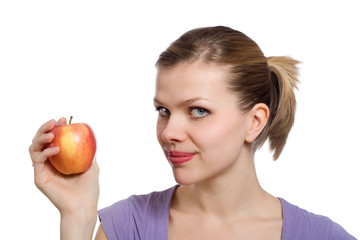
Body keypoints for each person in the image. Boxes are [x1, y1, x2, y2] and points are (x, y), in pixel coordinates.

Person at [29, 26, 356, 240]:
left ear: (254, 122)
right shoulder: (128, 228)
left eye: (198, 111)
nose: (169, 132)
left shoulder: (324, 236)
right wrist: (78, 216)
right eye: (163, 111)